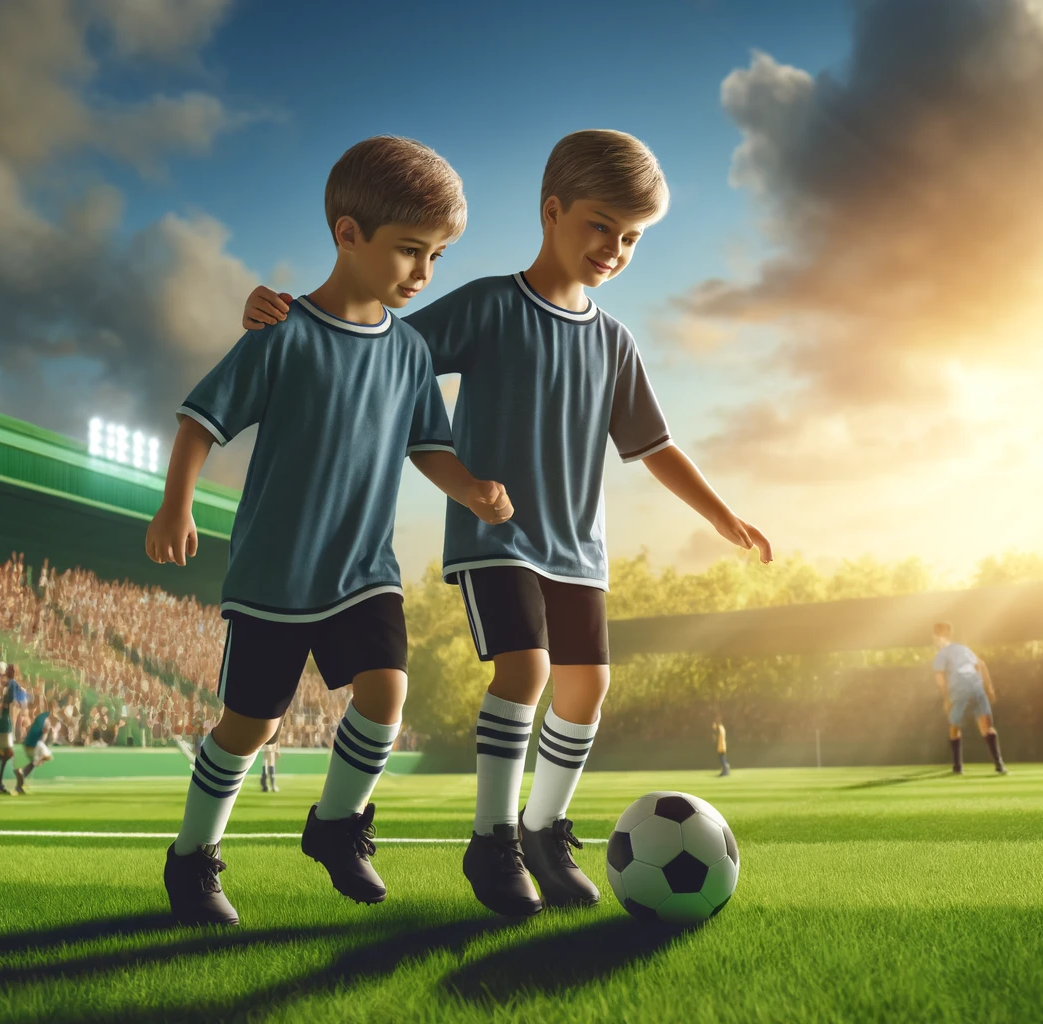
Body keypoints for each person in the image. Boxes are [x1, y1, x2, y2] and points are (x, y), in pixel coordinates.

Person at [239, 130, 772, 918]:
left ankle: (543, 829)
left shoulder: (615, 343)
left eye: (631, 238)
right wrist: (280, 318)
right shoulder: (490, 305)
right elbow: (378, 342)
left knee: (588, 686)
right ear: (552, 211)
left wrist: (723, 514)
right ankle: (491, 841)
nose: (614, 249)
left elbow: (654, 446)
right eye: (600, 226)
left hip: (578, 550)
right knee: (524, 671)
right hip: (497, 538)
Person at [148, 135, 511, 928]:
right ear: (348, 234)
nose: (423, 274)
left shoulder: (412, 352)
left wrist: (473, 490)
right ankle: (192, 859)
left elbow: (431, 448)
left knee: (387, 695)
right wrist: (177, 504)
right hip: (275, 577)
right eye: (410, 251)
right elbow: (199, 421)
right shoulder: (280, 333)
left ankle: (338, 825)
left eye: (438, 257)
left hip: (363, 572)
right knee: (251, 726)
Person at [931, 622, 1006, 775]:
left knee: (954, 725)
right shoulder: (963, 649)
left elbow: (940, 679)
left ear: (937, 637)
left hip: (959, 687)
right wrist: (989, 688)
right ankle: (999, 765)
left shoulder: (940, 655)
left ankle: (957, 767)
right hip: (976, 685)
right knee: (986, 726)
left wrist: (947, 699)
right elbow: (982, 665)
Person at [0, 668, 28, 795]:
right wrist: (19, 702)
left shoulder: (8, 686)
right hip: (5, 726)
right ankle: (1, 782)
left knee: (0, 755)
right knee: (8, 754)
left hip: (1, 724)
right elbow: (17, 698)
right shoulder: (13, 685)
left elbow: (11, 698)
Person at [13, 709, 52, 794]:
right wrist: (40, 760)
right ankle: (21, 772)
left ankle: (19, 785)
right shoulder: (47, 721)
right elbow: (44, 731)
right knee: (45, 758)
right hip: (36, 744)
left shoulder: (41, 717)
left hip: (28, 744)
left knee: (32, 764)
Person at [259, 725, 280, 793]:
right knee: (265, 768)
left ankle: (272, 785)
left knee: (270, 767)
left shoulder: (275, 731)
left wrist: (277, 750)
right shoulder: (266, 729)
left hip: (271, 751)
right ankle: (265, 785)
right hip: (266, 751)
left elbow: (277, 741)